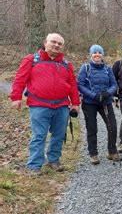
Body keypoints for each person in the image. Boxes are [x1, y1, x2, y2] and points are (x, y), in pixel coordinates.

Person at [10, 33, 80, 173]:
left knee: (59, 135)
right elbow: (20, 79)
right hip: (39, 105)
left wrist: (75, 103)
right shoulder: (31, 60)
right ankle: (34, 165)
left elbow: (72, 85)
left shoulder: (67, 64)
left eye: (60, 44)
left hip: (61, 106)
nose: (56, 45)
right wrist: (16, 98)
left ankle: (54, 160)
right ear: (45, 42)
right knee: (39, 135)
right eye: (53, 42)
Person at [78, 45, 121, 164]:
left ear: (102, 55)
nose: (97, 54)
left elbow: (114, 84)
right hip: (89, 103)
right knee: (92, 128)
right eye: (94, 53)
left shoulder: (107, 69)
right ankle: (93, 154)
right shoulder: (85, 68)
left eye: (99, 53)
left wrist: (108, 93)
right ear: (91, 55)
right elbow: (80, 85)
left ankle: (112, 151)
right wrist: (93, 95)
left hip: (105, 102)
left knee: (112, 126)